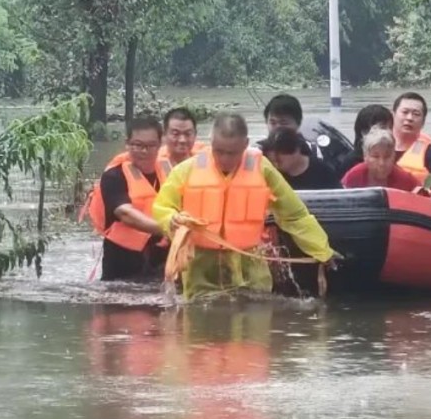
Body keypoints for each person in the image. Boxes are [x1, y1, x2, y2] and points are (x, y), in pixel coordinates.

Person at [152, 112, 339, 300]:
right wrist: (172, 219)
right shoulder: (188, 169)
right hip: (201, 265)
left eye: (232, 153)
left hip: (249, 261)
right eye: (219, 151)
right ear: (211, 142)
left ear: (245, 144)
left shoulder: (262, 168)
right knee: (201, 320)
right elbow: (163, 206)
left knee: (255, 315)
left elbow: (294, 215)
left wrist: (322, 250)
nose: (224, 159)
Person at [83, 116, 167, 281]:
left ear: (159, 145)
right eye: (138, 145)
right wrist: (166, 228)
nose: (144, 151)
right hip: (122, 266)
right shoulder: (114, 176)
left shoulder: (171, 171)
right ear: (127, 143)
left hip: (161, 262)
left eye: (150, 145)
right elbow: (125, 213)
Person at [392, 92, 431, 195]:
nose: (409, 118)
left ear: (423, 122)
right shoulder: (377, 147)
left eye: (416, 114)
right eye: (405, 112)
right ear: (393, 115)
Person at [341, 127, 422, 192]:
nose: (382, 163)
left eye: (387, 156)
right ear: (366, 157)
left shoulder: (406, 180)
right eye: (375, 156)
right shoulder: (354, 177)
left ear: (394, 156)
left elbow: (425, 195)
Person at [267, 128, 342, 191]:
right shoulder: (272, 173)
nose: (275, 165)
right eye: (272, 161)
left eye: (278, 161)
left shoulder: (324, 172)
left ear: (296, 150)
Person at [258, 93, 323, 160]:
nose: (277, 127)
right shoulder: (257, 151)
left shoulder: (313, 151)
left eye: (284, 123)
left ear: (298, 123)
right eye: (273, 123)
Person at [341, 104, 394, 174]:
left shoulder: (391, 157)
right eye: (384, 128)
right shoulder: (352, 164)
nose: (387, 134)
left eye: (390, 128)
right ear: (365, 131)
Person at [158, 107, 207, 181]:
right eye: (175, 134)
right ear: (164, 134)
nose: (182, 140)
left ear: (195, 134)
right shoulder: (153, 162)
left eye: (188, 134)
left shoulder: (206, 158)